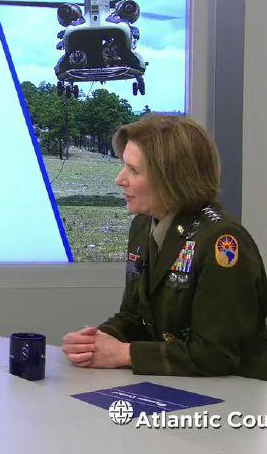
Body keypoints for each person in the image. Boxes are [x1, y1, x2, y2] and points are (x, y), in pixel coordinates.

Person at [62, 114, 267, 379]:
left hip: (234, 393)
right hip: (176, 385)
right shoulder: (143, 225)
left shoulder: (221, 241)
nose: (119, 179)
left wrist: (125, 354)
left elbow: (217, 354)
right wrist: (95, 341)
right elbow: (135, 317)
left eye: (134, 171)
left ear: (172, 179)